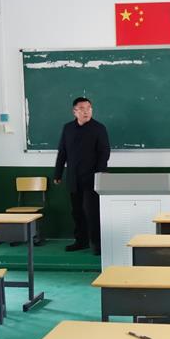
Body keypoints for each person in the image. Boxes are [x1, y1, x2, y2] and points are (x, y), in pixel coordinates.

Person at [53, 97, 110, 256]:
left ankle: (97, 244)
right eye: (82, 108)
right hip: (74, 177)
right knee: (77, 212)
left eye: (89, 108)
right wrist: (58, 173)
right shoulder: (68, 128)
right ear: (75, 111)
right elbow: (62, 152)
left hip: (93, 178)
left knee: (92, 212)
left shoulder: (99, 128)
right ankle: (81, 241)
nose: (86, 111)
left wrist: (100, 174)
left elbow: (104, 152)